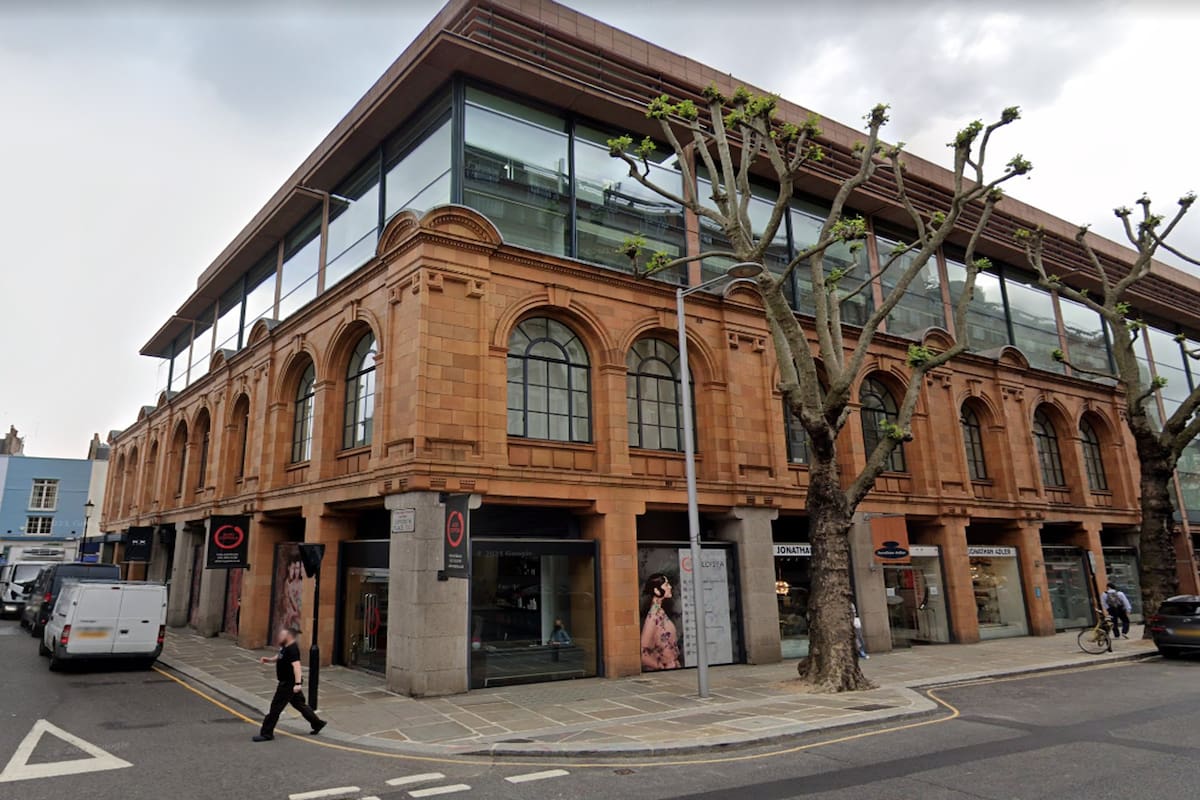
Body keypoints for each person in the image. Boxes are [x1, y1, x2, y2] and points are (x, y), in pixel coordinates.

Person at [253, 625, 326, 742]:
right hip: (288, 683)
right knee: (300, 705)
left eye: (282, 634)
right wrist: (270, 659)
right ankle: (318, 723)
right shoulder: (285, 647)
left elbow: (296, 666)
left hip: (288, 684)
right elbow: (280, 656)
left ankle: (266, 733)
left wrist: (297, 684)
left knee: (275, 708)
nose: (279, 636)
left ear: (289, 636)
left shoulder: (292, 649)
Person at [640, 573, 680, 670]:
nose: (670, 587)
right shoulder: (653, 617)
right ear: (657, 591)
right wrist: (660, 666)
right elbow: (642, 653)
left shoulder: (660, 612)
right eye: (666, 585)